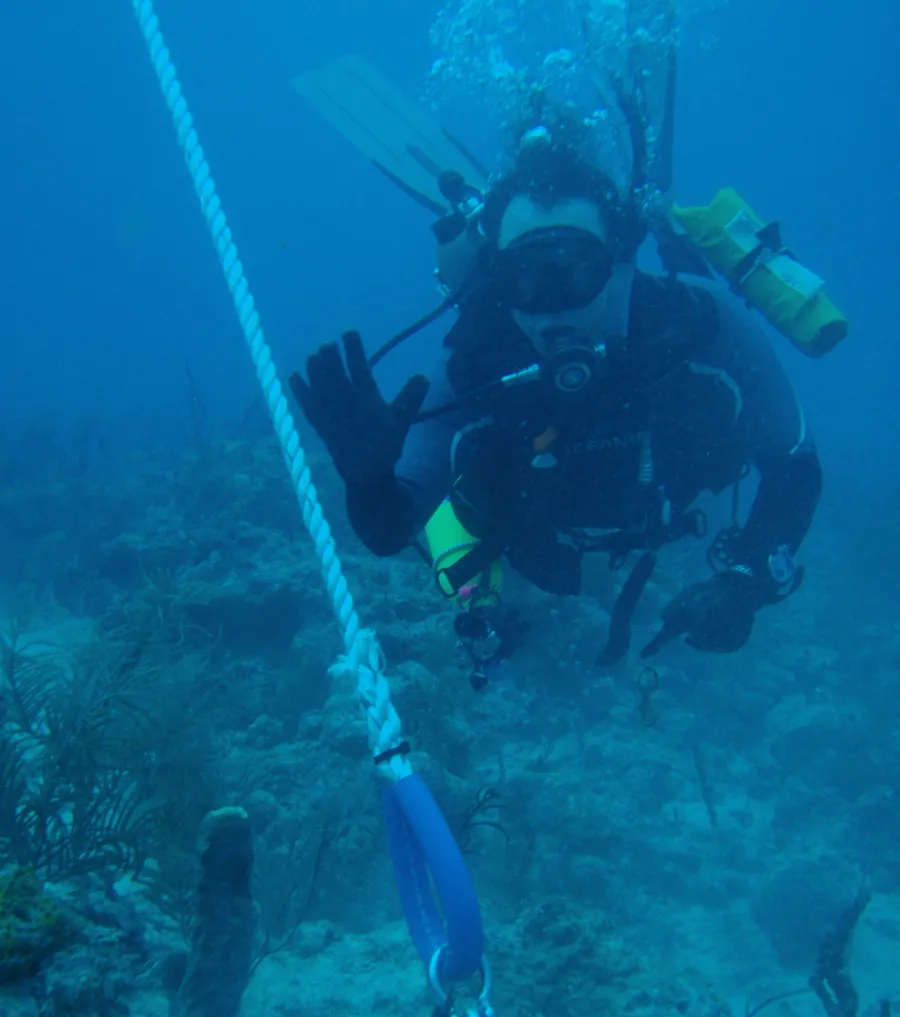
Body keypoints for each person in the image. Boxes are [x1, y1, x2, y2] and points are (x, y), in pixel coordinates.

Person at [289, 128, 821, 688]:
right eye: (526, 276)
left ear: (617, 262)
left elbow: (794, 461)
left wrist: (746, 581)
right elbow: (388, 530)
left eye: (578, 270)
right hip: (531, 547)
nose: (552, 308)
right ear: (496, 279)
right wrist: (370, 486)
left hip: (657, 519)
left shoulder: (695, 322)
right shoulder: (476, 360)